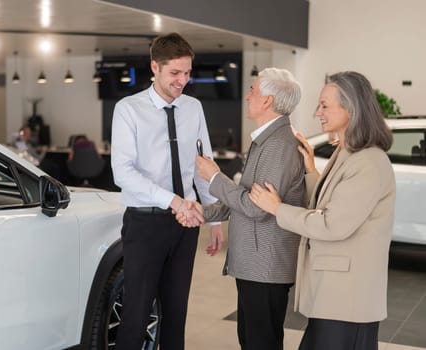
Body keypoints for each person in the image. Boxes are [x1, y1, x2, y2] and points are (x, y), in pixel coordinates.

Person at [249, 71, 396, 350]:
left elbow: (332, 224)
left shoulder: (369, 162)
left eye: (324, 105)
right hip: (335, 297)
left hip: (348, 300)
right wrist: (310, 171)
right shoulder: (347, 153)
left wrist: (277, 208)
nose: (318, 112)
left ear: (351, 108)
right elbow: (334, 203)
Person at [110, 32, 223, 350]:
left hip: (185, 227)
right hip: (145, 224)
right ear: (154, 67)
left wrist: (213, 217)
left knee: (176, 315)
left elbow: (203, 165)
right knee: (136, 316)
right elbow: (123, 173)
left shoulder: (193, 108)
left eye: (187, 73)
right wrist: (174, 201)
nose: (182, 80)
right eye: (175, 73)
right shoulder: (128, 109)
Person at [186, 67, 306, 350]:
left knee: (260, 343)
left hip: (265, 266)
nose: (247, 96)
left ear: (267, 100)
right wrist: (204, 212)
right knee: (253, 340)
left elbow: (256, 208)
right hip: (257, 265)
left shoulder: (278, 145)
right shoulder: (267, 139)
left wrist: (214, 177)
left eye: (252, 90)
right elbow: (241, 198)